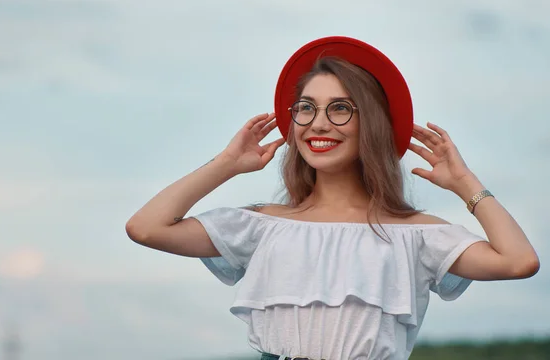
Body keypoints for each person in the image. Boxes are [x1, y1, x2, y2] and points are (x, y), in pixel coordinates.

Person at [125, 36, 540, 360]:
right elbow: (145, 228)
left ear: (372, 123)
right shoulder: (262, 225)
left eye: (340, 108)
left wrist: (466, 183)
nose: (318, 123)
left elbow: (519, 261)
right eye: (305, 108)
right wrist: (227, 163)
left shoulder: (416, 235)